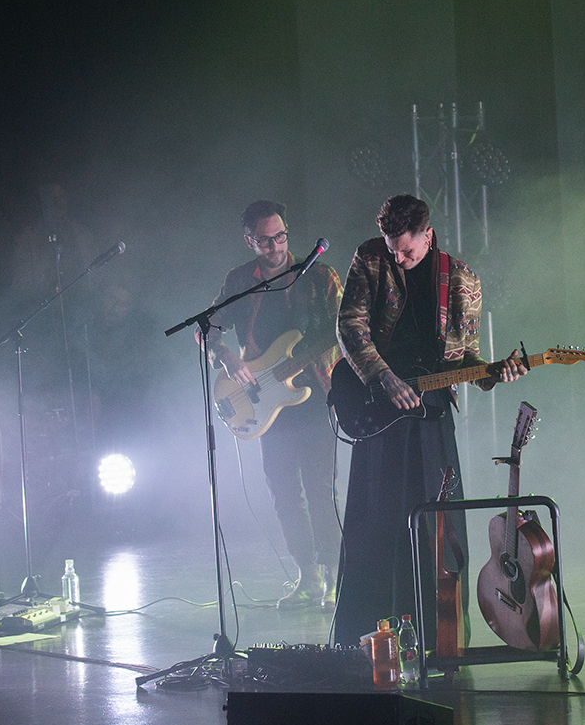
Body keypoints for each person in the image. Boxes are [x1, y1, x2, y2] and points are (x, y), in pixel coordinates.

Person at [330, 194, 523, 647]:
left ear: (428, 236)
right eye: (393, 248)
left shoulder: (462, 281)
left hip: (430, 414)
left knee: (437, 526)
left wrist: (494, 373)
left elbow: (467, 358)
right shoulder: (370, 257)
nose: (399, 257)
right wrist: (383, 377)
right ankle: (364, 636)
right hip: (378, 408)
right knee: (373, 522)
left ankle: (438, 638)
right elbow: (350, 325)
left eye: (407, 250)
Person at [206, 201, 344, 607]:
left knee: (322, 489)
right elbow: (210, 327)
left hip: (317, 394)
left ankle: (335, 574)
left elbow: (347, 326)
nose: (275, 246)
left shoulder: (320, 276)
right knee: (283, 491)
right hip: (264, 401)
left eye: (281, 236)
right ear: (249, 241)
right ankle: (308, 574)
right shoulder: (238, 281)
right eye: (265, 240)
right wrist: (225, 357)